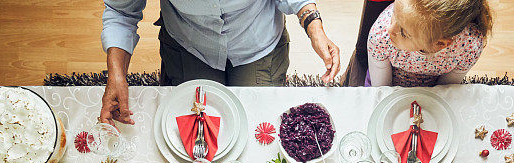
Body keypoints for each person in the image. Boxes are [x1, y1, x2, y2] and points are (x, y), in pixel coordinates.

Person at [99, 1, 341, 126]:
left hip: (256, 41)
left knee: (258, 127)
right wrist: (116, 73)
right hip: (190, 44)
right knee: (192, 132)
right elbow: (121, 12)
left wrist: (314, 27)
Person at [366, 0, 491, 87]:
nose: (390, 30)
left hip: (435, 88)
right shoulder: (380, 35)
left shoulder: (469, 47)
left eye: (404, 33)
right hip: (388, 82)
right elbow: (381, 89)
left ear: (440, 44)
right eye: (395, 13)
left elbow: (446, 89)